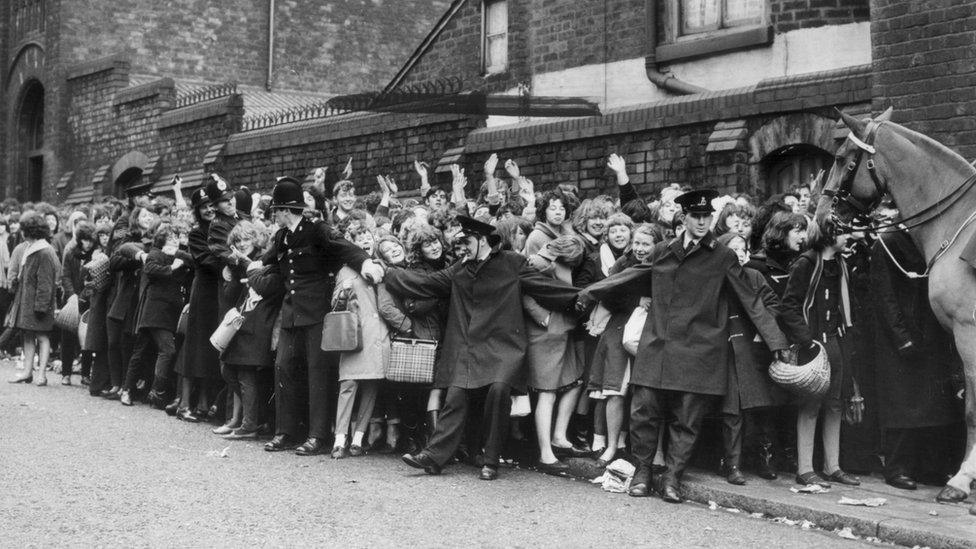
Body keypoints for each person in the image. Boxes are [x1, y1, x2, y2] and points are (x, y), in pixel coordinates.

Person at [578, 189, 789, 503]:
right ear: (685, 218)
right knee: (642, 411)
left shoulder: (723, 256)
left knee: (687, 419)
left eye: (707, 217)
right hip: (658, 344)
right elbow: (632, 275)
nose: (702, 222)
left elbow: (751, 301)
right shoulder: (664, 249)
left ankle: (673, 477)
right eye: (696, 216)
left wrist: (776, 342)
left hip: (698, 349)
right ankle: (644, 471)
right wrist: (590, 292)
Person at [393, 216, 579, 481]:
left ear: (482, 240)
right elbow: (426, 284)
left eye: (466, 242)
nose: (462, 248)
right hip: (471, 348)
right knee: (455, 394)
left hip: (505, 348)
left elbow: (544, 287)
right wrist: (388, 274)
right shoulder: (459, 269)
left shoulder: (512, 262)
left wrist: (583, 298)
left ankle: (491, 460)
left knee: (498, 391)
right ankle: (434, 456)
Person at [257, 177, 384, 456]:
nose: (274, 216)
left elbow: (342, 247)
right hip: (291, 314)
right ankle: (286, 432)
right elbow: (267, 261)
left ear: (284, 210)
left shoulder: (316, 230)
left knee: (318, 373)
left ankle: (317, 436)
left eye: (275, 211)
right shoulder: (281, 237)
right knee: (284, 369)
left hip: (316, 313)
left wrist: (365, 262)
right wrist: (251, 265)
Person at [870, 227, 962, 489]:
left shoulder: (935, 237)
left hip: (932, 331)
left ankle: (929, 467)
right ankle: (897, 468)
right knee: (904, 405)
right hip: (901, 336)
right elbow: (884, 295)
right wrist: (902, 337)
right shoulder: (887, 243)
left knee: (933, 405)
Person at [779, 217, 861, 488]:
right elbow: (789, 306)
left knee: (836, 403)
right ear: (828, 235)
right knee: (810, 405)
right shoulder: (805, 263)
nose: (848, 236)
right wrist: (807, 341)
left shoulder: (840, 264)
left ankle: (832, 466)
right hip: (813, 346)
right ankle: (805, 469)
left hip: (836, 343)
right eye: (843, 232)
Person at [7, 212, 59, 386]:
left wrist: (41, 306)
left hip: (38, 304)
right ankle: (27, 372)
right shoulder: (33, 247)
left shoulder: (44, 251)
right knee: (28, 336)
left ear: (29, 231)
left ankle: (41, 374)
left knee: (42, 337)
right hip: (28, 302)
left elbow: (45, 283)